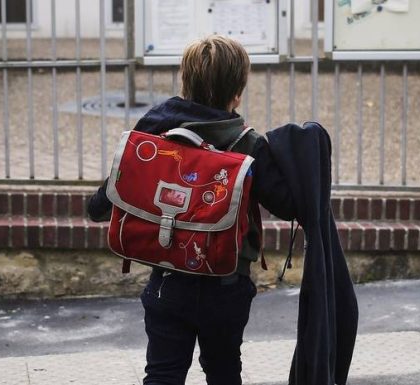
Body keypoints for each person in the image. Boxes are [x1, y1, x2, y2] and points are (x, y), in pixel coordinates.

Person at [87, 35, 294, 385]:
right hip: (226, 286)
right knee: (224, 371)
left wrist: (96, 206)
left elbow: (100, 205)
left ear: (185, 81)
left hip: (168, 282)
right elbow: (288, 206)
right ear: (237, 92)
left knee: (163, 375)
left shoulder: (154, 129)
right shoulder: (248, 144)